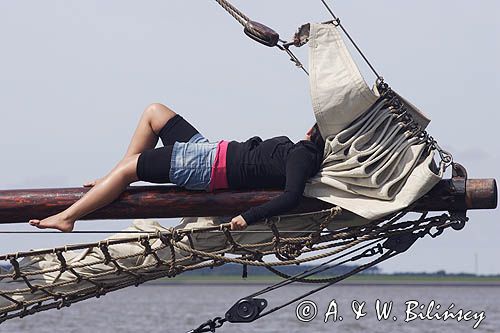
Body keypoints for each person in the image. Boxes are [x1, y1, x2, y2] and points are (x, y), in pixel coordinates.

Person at [29, 103, 325, 232]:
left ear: (312, 134)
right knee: (154, 112)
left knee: (128, 169)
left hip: (206, 167)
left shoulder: (302, 156)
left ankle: (68, 217)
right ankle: (116, 179)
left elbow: (292, 197)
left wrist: (247, 217)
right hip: (209, 151)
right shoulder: (299, 152)